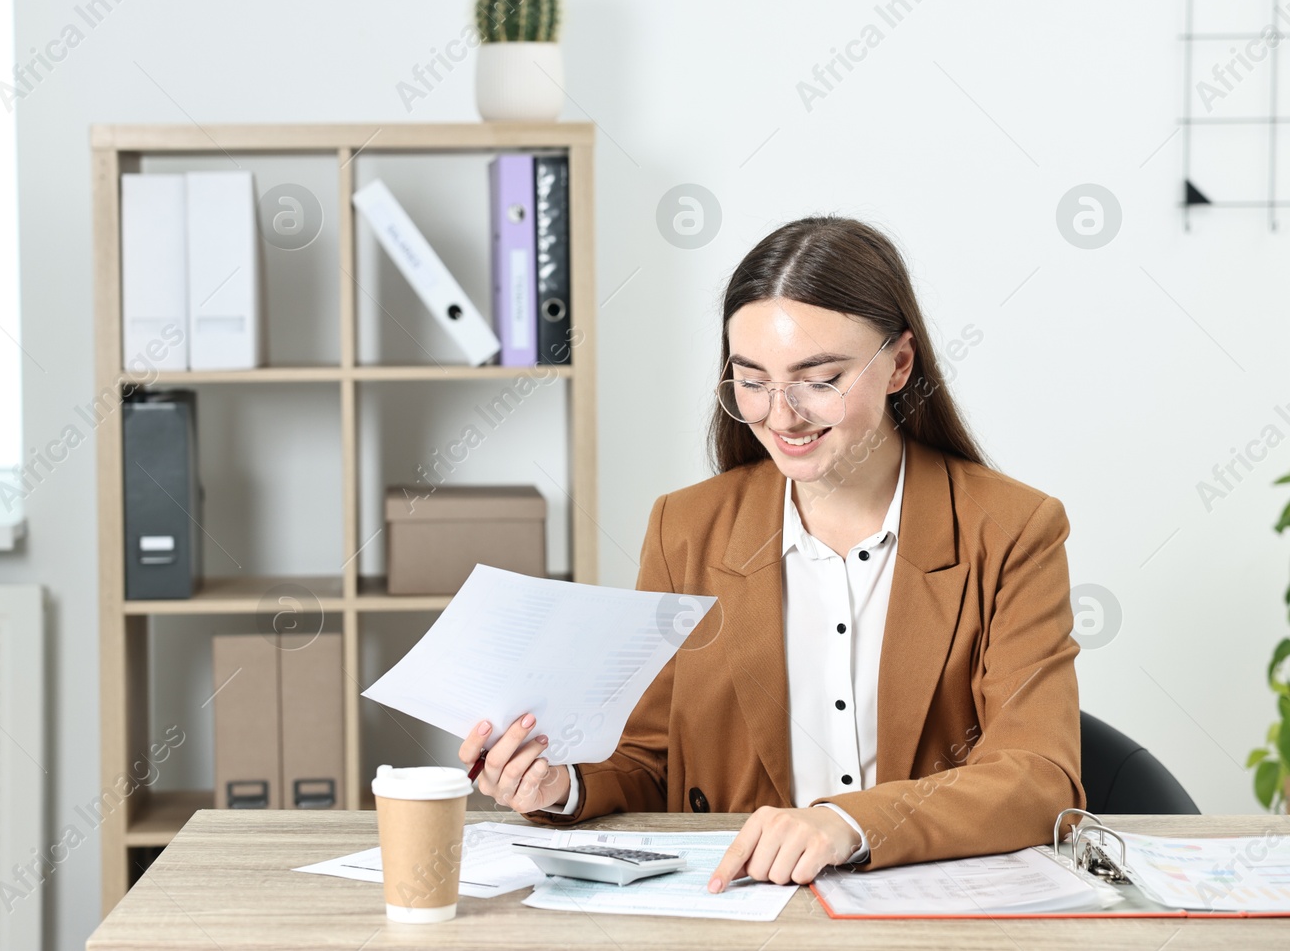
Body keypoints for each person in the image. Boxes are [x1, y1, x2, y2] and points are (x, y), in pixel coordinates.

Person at [455, 216, 1084, 889]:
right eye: (752, 380)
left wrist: (848, 822)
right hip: (738, 904)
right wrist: (560, 784)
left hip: (926, 904)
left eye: (820, 379)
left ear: (901, 363)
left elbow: (1039, 775)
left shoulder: (1013, 527)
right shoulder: (685, 527)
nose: (780, 417)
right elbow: (649, 758)